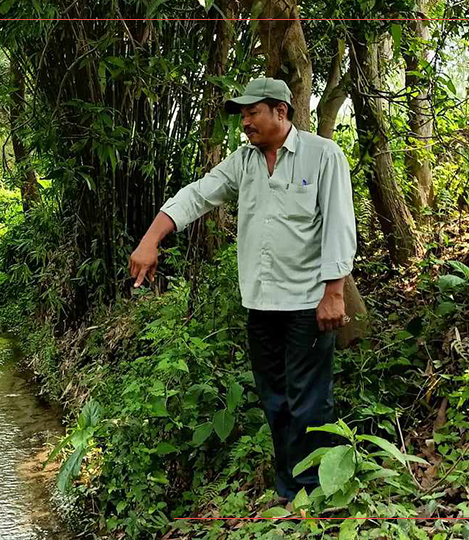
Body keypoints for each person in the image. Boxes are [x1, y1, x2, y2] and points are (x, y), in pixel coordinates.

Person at [127, 77, 357, 505]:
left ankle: (318, 494)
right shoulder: (244, 162)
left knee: (310, 403)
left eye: (252, 113)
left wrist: (334, 292)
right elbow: (197, 195)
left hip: (308, 302)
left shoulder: (322, 156)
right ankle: (290, 492)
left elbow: (340, 226)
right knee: (275, 401)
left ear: (281, 112)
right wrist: (150, 239)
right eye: (243, 115)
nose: (245, 122)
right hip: (261, 304)